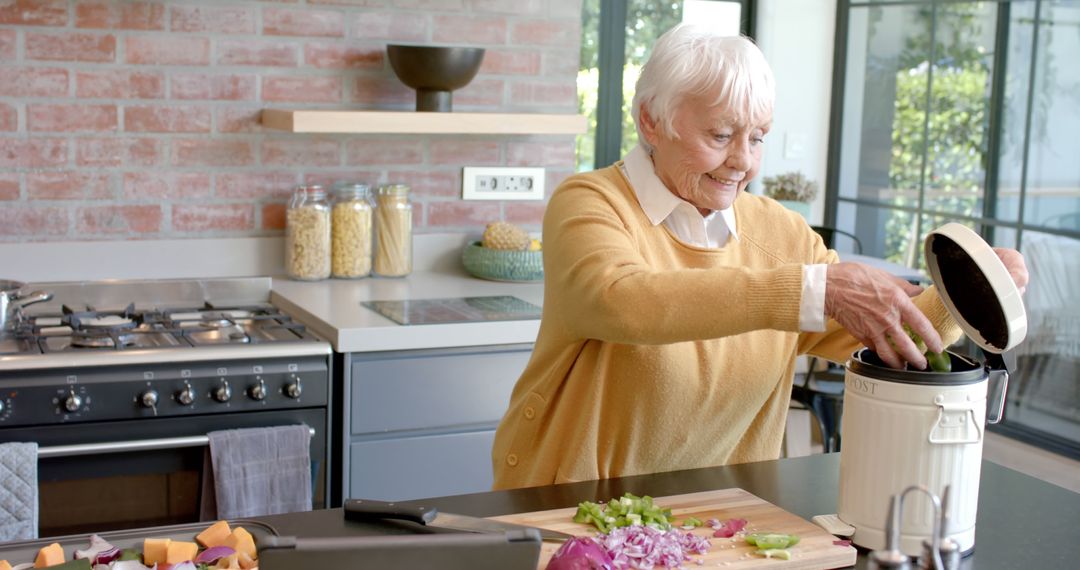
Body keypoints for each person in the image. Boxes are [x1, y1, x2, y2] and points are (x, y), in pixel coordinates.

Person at [491, 23, 1028, 490]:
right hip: (568, 504)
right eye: (721, 135)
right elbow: (622, 301)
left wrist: (973, 292)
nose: (742, 162)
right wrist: (813, 291)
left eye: (758, 137)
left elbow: (896, 337)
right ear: (651, 121)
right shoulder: (590, 204)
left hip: (721, 513)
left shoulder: (780, 232)